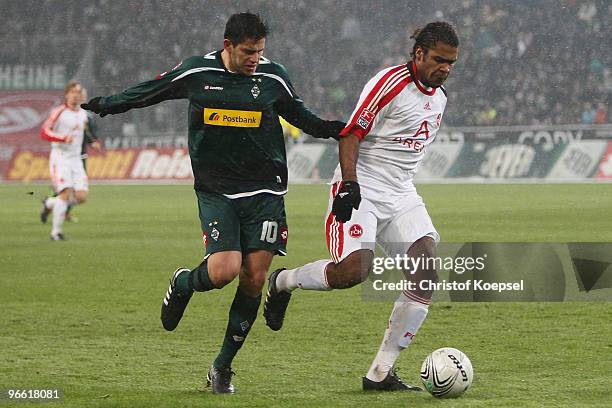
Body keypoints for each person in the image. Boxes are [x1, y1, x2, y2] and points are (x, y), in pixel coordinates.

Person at [81, 12, 344, 394]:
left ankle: (222, 367)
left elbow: (301, 116)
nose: (255, 59)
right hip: (217, 189)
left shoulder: (272, 77)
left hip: (265, 191)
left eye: (260, 52)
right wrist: (107, 104)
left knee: (253, 278)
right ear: (228, 46)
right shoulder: (197, 73)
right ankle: (184, 283)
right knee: (222, 271)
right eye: (248, 52)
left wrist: (338, 130)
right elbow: (150, 90)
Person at [264, 21, 459, 391]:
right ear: (419, 54)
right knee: (353, 272)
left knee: (426, 274)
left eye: (451, 63)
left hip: (401, 193)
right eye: (439, 60)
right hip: (362, 186)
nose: (445, 68)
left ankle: (380, 375)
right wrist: (349, 184)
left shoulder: (440, 98)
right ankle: (284, 281)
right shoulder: (389, 84)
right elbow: (352, 132)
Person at [39, 80, 91, 240]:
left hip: (76, 159)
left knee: (81, 197)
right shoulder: (59, 111)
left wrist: (92, 141)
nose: (76, 96)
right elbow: (44, 132)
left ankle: (49, 203)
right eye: (73, 92)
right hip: (61, 158)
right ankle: (56, 233)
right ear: (67, 94)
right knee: (66, 194)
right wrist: (62, 138)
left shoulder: (83, 113)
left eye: (79, 93)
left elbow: (85, 132)